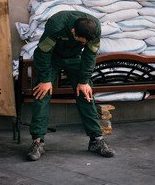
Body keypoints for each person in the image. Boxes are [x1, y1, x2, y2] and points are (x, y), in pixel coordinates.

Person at [27, 10, 115, 161]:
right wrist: (45, 79)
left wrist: (84, 80)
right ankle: (37, 141)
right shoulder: (57, 25)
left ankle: (96, 140)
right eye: (81, 40)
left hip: (74, 58)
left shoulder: (94, 28)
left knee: (85, 93)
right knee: (42, 92)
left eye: (85, 42)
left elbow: (90, 54)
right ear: (73, 31)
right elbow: (43, 53)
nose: (83, 44)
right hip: (51, 58)